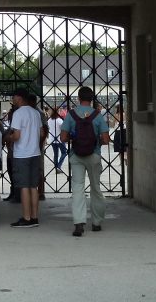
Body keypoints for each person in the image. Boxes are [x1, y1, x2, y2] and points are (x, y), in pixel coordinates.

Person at [61, 86, 110, 237]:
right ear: (91, 99)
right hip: (94, 155)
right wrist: (96, 140)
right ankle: (96, 222)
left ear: (78, 98)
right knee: (96, 188)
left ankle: (79, 223)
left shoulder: (71, 115)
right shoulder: (98, 115)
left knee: (78, 188)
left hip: (76, 156)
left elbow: (63, 138)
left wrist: (75, 137)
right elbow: (106, 139)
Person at [7, 87, 43, 228]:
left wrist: (9, 137)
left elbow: (16, 136)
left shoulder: (18, 113)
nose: (13, 100)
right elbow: (41, 133)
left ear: (19, 98)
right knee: (33, 187)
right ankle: (34, 217)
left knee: (23, 187)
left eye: (14, 97)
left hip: (22, 154)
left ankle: (26, 218)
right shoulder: (36, 113)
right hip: (35, 153)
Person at [46, 106, 68, 173]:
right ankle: (58, 166)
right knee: (64, 153)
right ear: (58, 111)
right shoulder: (59, 120)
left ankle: (56, 167)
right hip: (60, 139)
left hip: (52, 139)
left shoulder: (49, 120)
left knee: (56, 154)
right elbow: (64, 129)